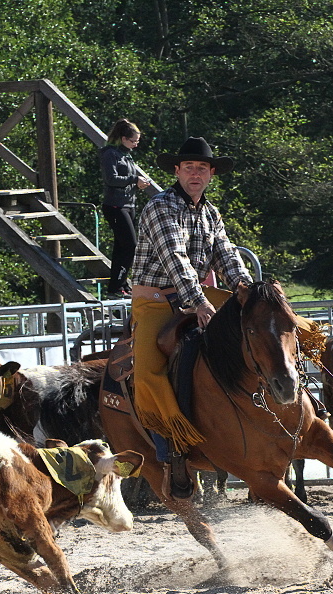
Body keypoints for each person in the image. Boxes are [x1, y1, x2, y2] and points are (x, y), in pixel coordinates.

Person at [129, 136, 254, 500]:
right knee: (149, 370)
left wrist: (246, 289)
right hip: (156, 301)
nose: (195, 173)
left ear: (211, 173)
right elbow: (175, 260)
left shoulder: (211, 213)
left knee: (265, 323)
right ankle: (173, 448)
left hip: (193, 295)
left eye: (201, 168)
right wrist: (199, 302)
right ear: (177, 171)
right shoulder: (159, 207)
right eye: (188, 168)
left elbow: (227, 255)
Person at [100, 118, 150, 298]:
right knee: (130, 245)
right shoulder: (110, 154)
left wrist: (139, 184)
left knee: (121, 247)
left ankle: (119, 285)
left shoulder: (126, 155)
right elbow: (111, 179)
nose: (135, 145)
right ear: (123, 138)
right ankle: (116, 286)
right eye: (133, 141)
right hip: (115, 206)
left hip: (129, 204)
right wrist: (134, 180)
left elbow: (129, 179)